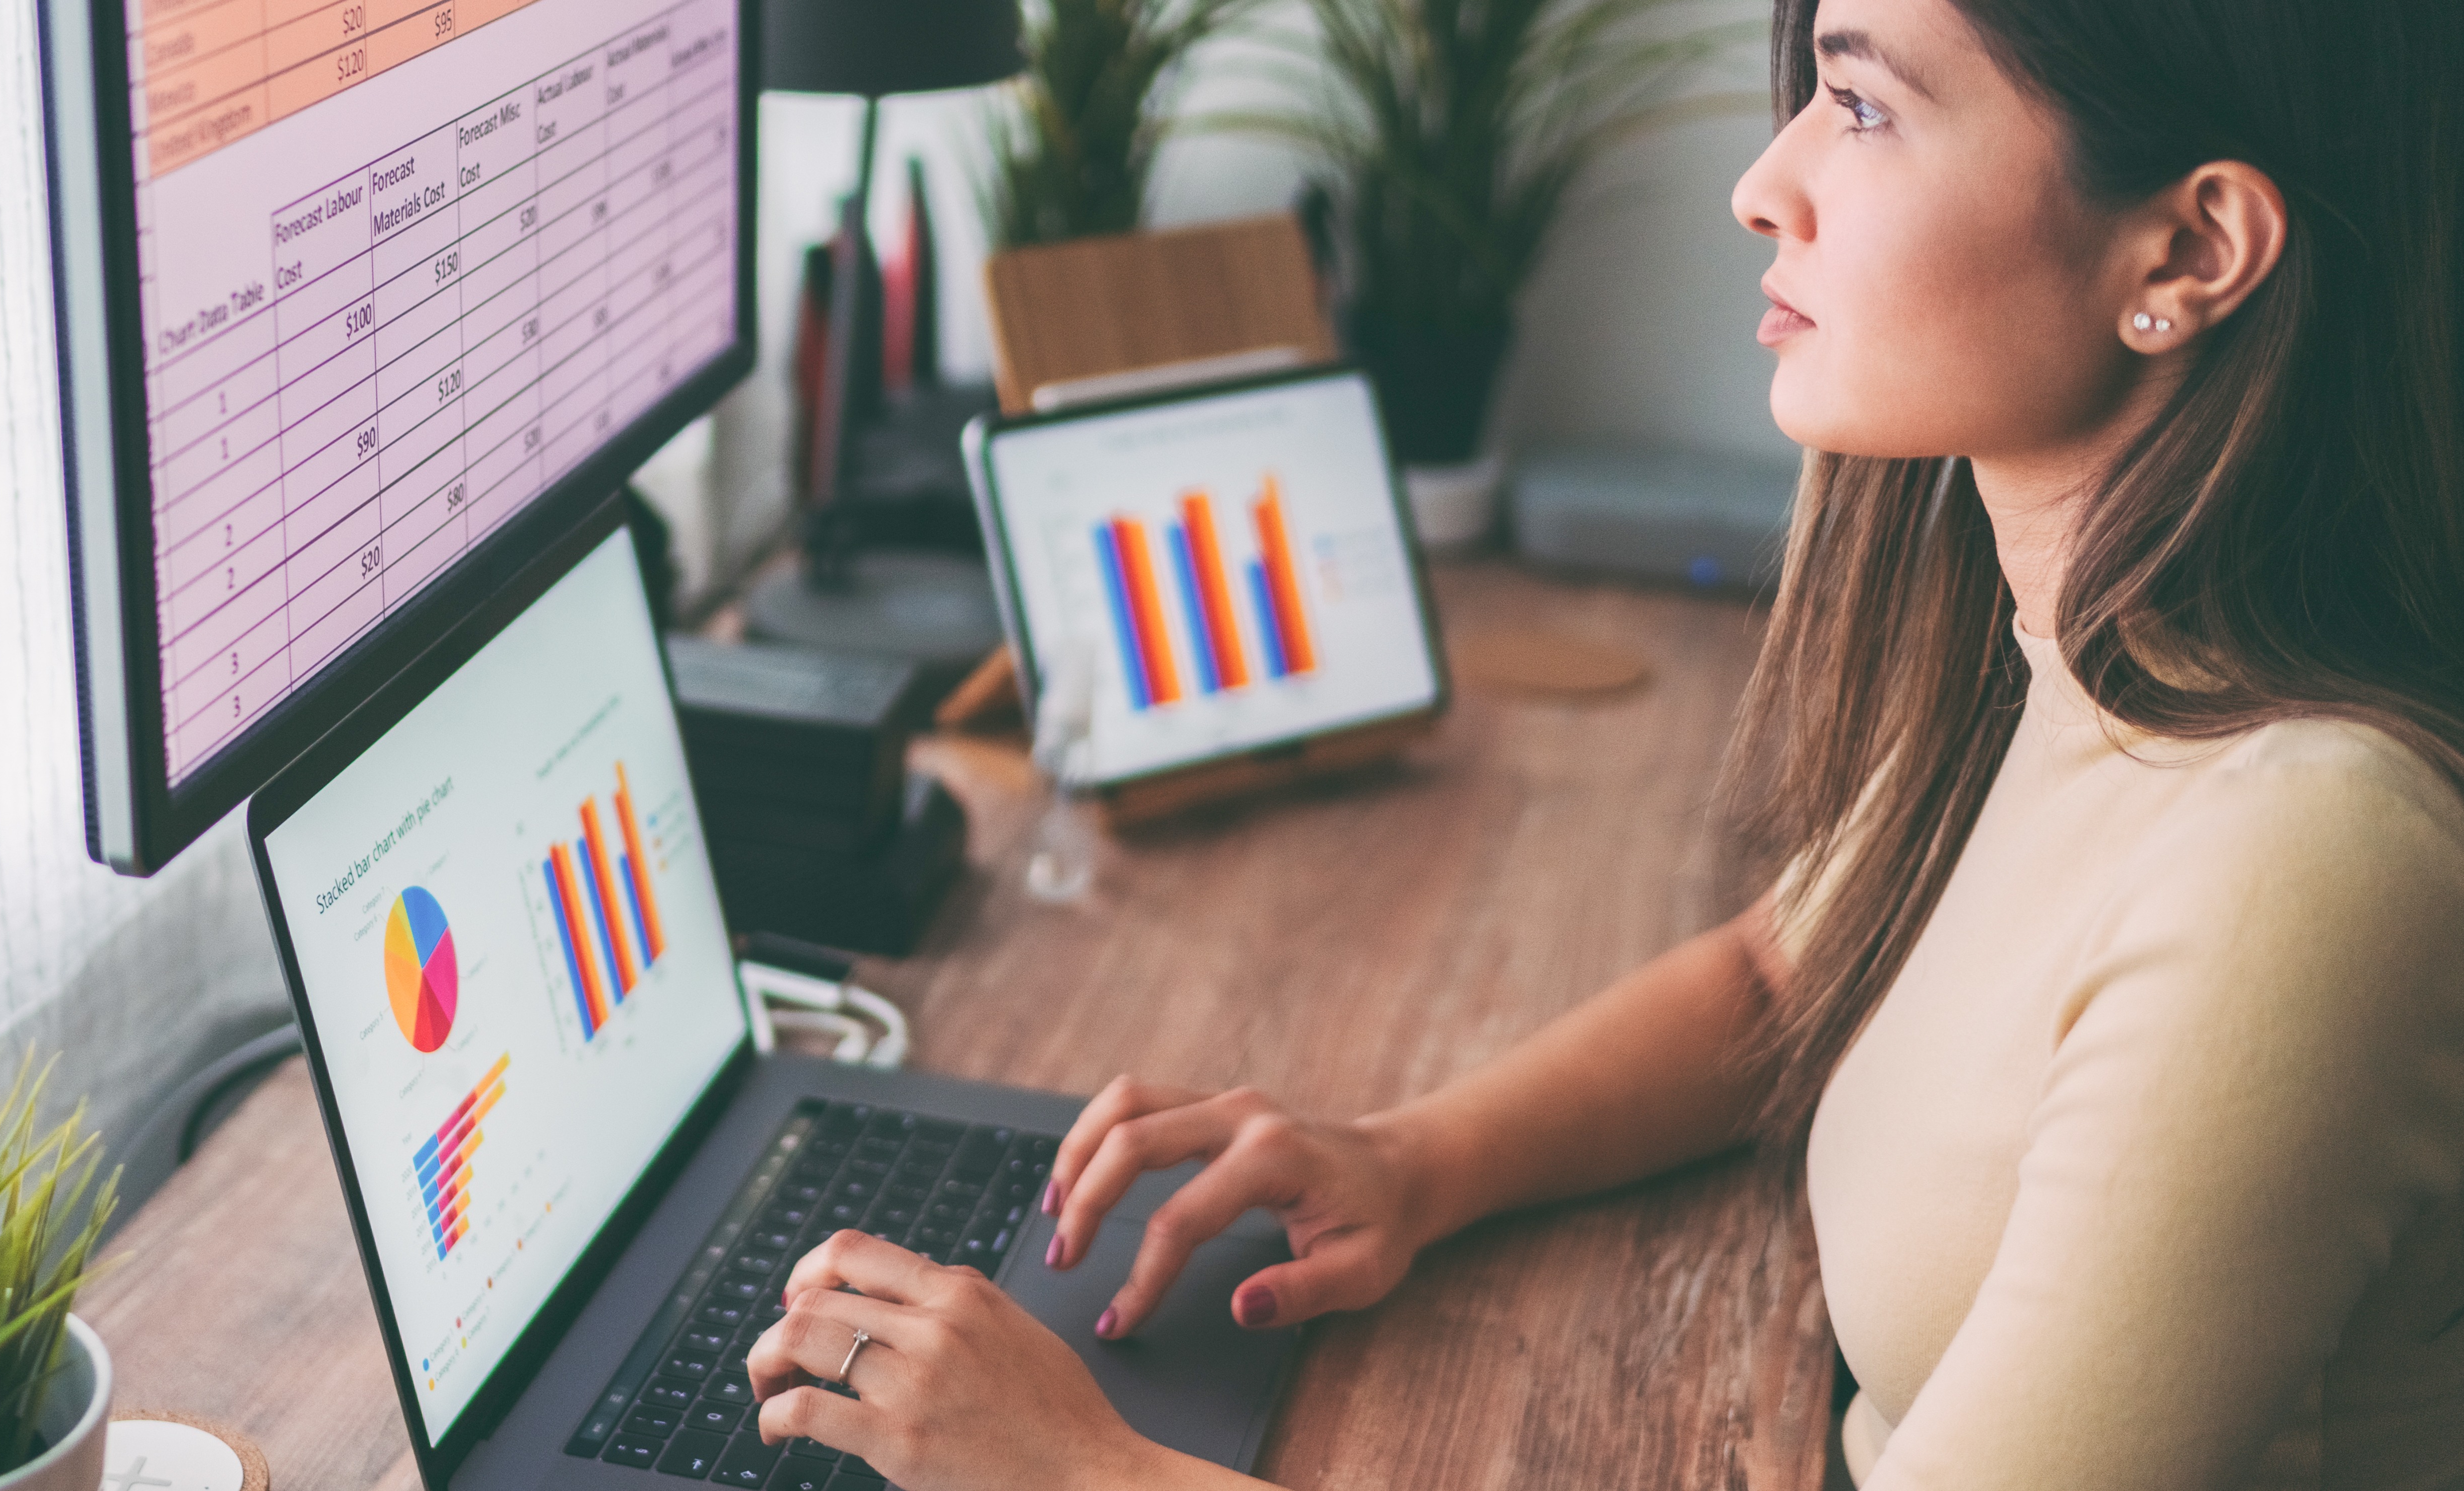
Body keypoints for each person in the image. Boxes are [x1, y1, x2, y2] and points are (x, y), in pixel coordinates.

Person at [739, 0, 2464, 1485]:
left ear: (2186, 253)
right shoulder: (2076, 660)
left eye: (1861, 105)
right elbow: (1795, 974)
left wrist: (1082, 1466)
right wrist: (1413, 1156)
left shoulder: (2299, 858)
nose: (1761, 182)